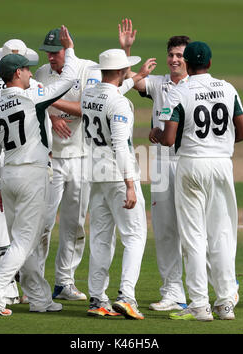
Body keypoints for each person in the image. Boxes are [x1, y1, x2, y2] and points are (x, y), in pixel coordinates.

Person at [0, 26, 77, 316]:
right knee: (24, 241)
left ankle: (39, 299)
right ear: (17, 73)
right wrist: (69, 48)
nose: (31, 73)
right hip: (32, 173)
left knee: (26, 240)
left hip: (7, 177)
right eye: (27, 70)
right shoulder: (33, 96)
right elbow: (70, 78)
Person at [151, 41, 243, 321]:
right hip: (221, 165)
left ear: (188, 65)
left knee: (193, 237)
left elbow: (169, 139)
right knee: (222, 235)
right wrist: (220, 143)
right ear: (209, 62)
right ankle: (226, 303)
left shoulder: (180, 91)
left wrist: (157, 135)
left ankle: (199, 305)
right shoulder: (228, 88)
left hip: (190, 165)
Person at [118, 18, 189, 311]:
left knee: (194, 228)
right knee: (164, 228)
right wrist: (126, 50)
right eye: (171, 54)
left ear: (189, 59)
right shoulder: (158, 83)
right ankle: (173, 292)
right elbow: (124, 78)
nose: (174, 59)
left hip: (187, 161)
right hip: (160, 162)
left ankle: (224, 285)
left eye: (180, 55)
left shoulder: (195, 85)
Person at [81, 48, 156, 320]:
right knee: (135, 236)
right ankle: (126, 296)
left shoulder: (90, 93)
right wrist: (130, 184)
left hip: (95, 175)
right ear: (123, 71)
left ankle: (97, 299)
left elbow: (115, 90)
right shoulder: (120, 104)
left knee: (101, 238)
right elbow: (120, 146)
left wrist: (138, 75)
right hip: (117, 174)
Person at [35, 28, 103, 301]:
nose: (51, 58)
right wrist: (52, 118)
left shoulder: (88, 69)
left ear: (67, 50)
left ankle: (64, 282)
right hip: (50, 159)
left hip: (81, 157)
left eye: (56, 52)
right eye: (48, 53)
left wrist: (51, 103)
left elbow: (91, 106)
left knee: (74, 225)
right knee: (42, 223)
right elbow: (31, 104)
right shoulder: (41, 73)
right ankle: (34, 283)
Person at [0, 39, 40, 306]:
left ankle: (8, 291)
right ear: (20, 69)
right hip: (26, 162)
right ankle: (23, 290)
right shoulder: (33, 88)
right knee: (26, 232)